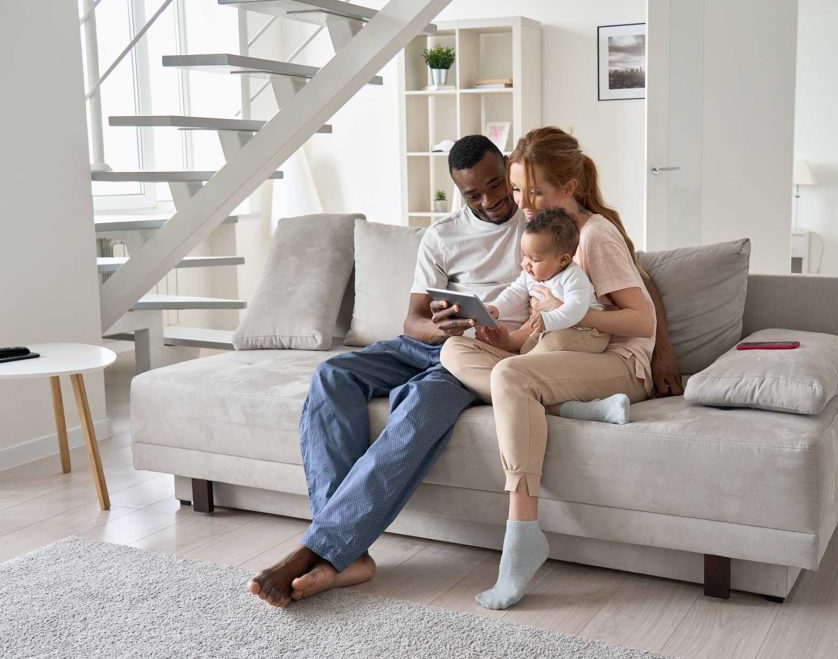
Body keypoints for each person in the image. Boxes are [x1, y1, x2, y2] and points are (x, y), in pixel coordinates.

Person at [245, 135, 528, 608]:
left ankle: (321, 549)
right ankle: (347, 554)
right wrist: (438, 328)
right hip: (433, 345)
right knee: (332, 375)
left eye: (496, 185)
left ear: (507, 167)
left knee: (418, 403)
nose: (490, 200)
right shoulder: (442, 236)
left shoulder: (540, 221)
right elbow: (411, 322)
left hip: (478, 359)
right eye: (473, 195)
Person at [440, 126, 666, 610]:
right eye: (518, 188)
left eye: (536, 190)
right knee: (453, 351)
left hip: (618, 364)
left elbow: (642, 319)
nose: (523, 201)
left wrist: (573, 314)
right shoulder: (543, 234)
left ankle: (522, 535)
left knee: (511, 375)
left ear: (570, 185)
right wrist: (498, 328)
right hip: (560, 357)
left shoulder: (595, 235)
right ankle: (570, 408)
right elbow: (531, 302)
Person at [486, 207, 610, 359]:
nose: (526, 264)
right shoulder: (529, 275)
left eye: (535, 259)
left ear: (563, 260)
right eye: (525, 256)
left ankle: (521, 368)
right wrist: (497, 307)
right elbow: (515, 292)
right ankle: (517, 364)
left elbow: (576, 309)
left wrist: (548, 320)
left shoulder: (573, 276)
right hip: (551, 327)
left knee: (552, 344)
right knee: (527, 348)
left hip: (588, 332)